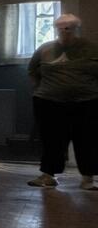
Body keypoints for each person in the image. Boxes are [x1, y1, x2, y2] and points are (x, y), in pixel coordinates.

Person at [27, 13, 98, 189]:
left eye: (69, 28)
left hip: (86, 102)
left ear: (77, 29)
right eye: (60, 28)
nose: (64, 31)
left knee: (86, 140)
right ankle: (48, 175)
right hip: (49, 102)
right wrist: (41, 89)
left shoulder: (91, 49)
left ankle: (88, 178)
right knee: (51, 140)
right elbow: (32, 70)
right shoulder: (45, 49)